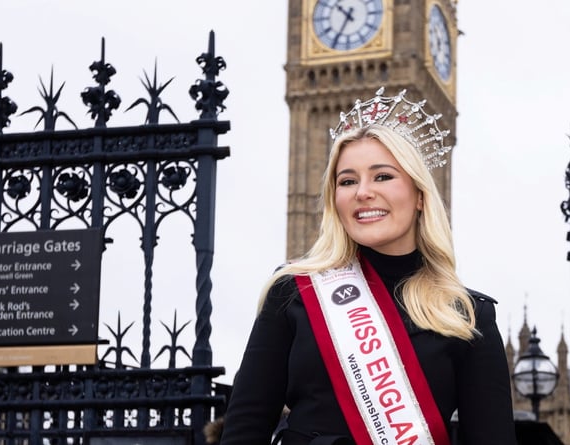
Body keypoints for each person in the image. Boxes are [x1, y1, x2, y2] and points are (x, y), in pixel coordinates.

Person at [219, 88, 516, 445]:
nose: (363, 192)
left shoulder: (467, 314)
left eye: (382, 176)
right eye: (347, 181)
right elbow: (245, 427)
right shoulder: (294, 290)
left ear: (420, 195)